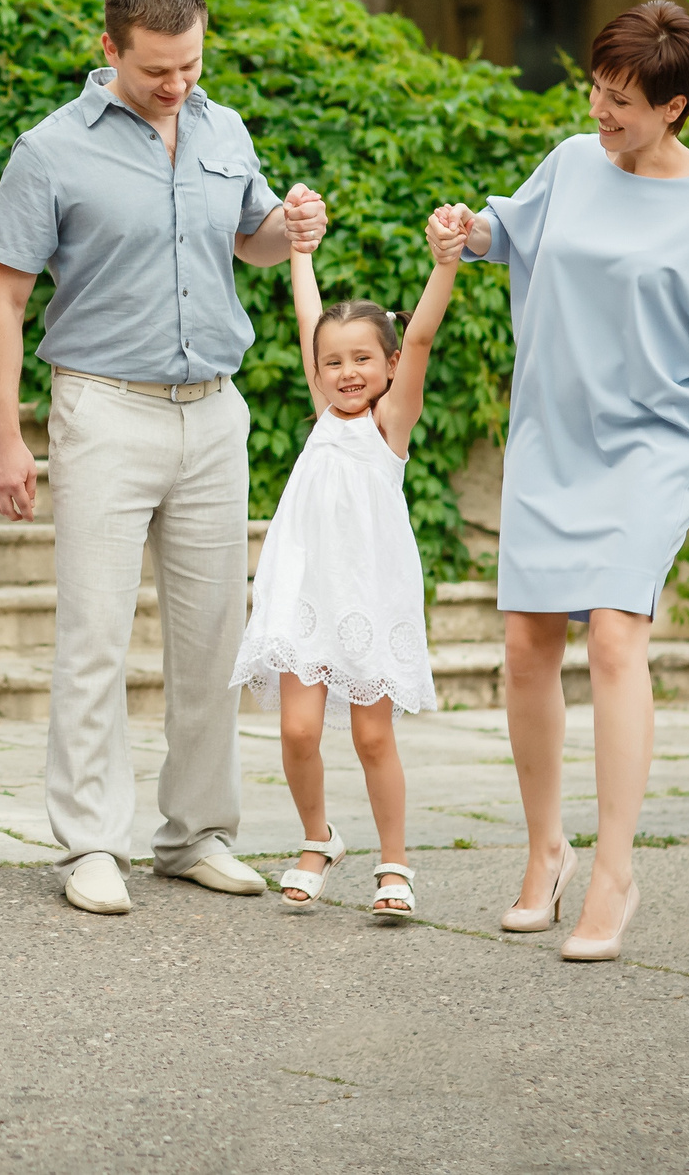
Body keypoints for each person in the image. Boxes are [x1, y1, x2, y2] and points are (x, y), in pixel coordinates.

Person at [430, 0, 689, 963]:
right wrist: (466, 230)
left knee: (613, 633)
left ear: (674, 106)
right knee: (526, 642)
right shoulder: (571, 163)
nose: (601, 112)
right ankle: (546, 850)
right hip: (553, 433)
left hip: (656, 442)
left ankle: (615, 871)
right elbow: (504, 234)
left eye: (622, 100)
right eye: (596, 90)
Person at [0, 0, 325, 918]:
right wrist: (4, 433)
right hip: (103, 407)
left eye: (191, 65)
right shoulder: (48, 151)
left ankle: (197, 833)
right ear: (110, 49)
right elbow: (3, 297)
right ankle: (92, 841)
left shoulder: (224, 129)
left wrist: (290, 224)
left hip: (214, 412)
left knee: (213, 637)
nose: (177, 85)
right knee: (93, 634)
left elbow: (251, 240)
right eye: (156, 70)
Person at [232, 238, 460, 922]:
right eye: (333, 362)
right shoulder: (324, 414)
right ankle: (319, 838)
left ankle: (394, 861)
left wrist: (445, 262)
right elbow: (309, 319)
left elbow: (421, 335)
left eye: (363, 358)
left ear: (389, 365)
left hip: (366, 597)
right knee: (298, 730)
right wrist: (300, 251)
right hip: (305, 593)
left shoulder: (390, 423)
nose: (346, 372)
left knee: (371, 737)